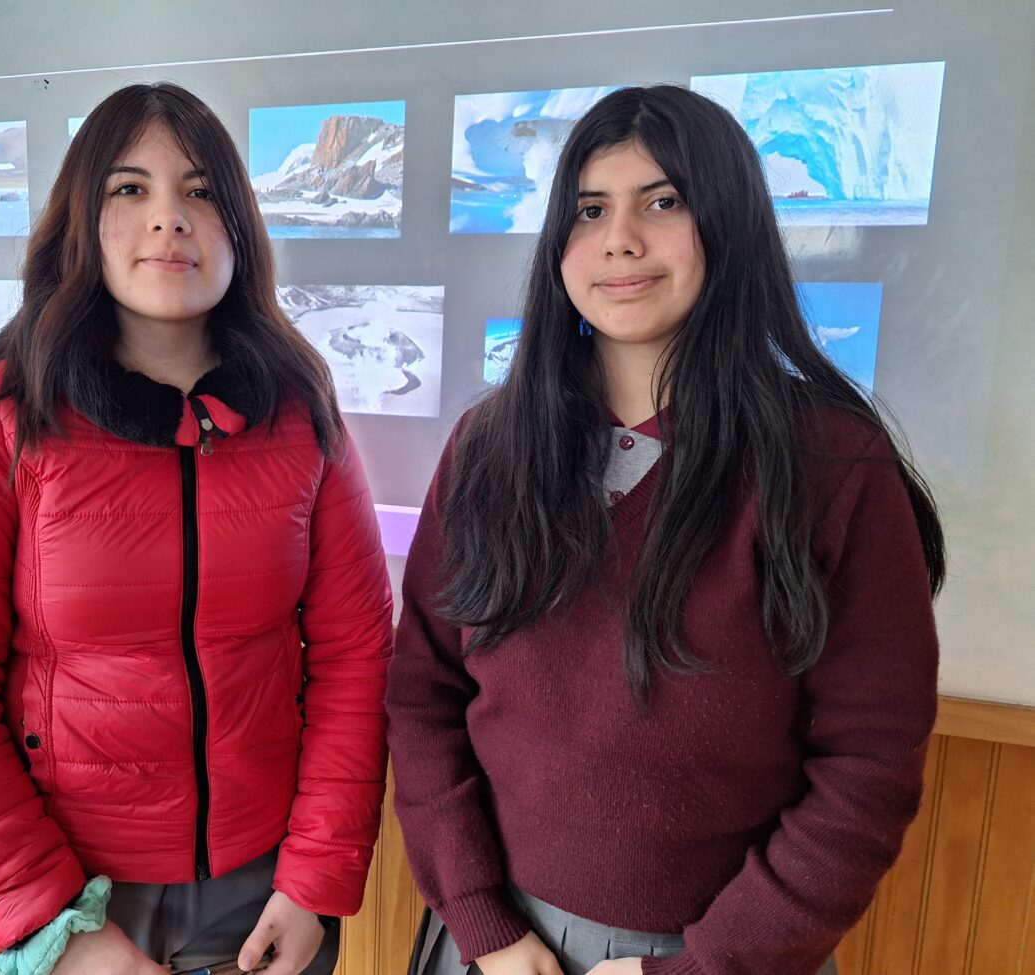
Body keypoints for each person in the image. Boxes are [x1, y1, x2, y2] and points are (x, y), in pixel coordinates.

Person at [385, 85, 944, 975]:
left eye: (663, 202)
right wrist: (484, 922)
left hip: (723, 956)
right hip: (491, 943)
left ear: (729, 224)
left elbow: (868, 762)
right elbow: (424, 695)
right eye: (590, 210)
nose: (620, 239)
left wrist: (705, 967)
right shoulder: (489, 447)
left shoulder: (831, 461)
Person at [0, 82, 393, 975]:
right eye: (130, 188)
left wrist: (315, 878)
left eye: (200, 190)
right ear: (84, 221)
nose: (169, 218)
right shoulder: (4, 416)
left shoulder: (300, 412)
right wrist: (58, 928)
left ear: (239, 225)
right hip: (63, 893)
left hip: (261, 895)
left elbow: (356, 659)